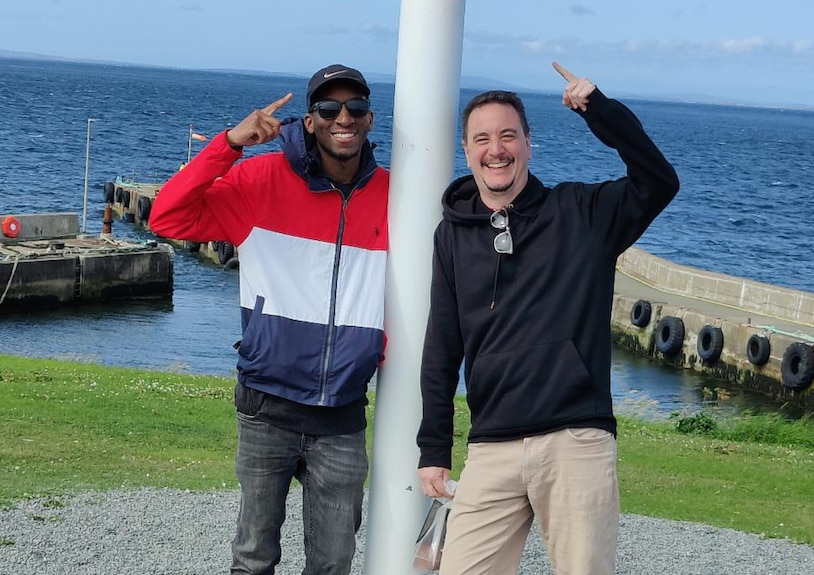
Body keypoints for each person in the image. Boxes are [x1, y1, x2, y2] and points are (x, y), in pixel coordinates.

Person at [416, 61, 679, 575]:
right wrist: (434, 446)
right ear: (467, 151)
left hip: (575, 437)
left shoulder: (583, 212)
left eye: (509, 135)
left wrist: (600, 111)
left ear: (529, 144)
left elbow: (658, 181)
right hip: (492, 442)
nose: (497, 149)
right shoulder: (452, 235)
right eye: (483, 138)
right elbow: (443, 345)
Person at [148, 64, 388, 575]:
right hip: (266, 408)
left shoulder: (396, 195)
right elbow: (167, 217)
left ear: (370, 120)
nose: (342, 117)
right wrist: (230, 143)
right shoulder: (258, 181)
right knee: (254, 558)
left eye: (355, 108)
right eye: (328, 108)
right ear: (309, 120)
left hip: (342, 413)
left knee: (334, 563)